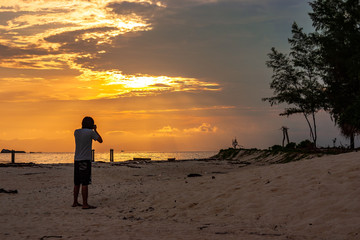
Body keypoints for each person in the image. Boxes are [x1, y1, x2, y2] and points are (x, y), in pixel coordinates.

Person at [72, 116, 103, 209]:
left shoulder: (76, 132)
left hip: (77, 159)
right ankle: (85, 204)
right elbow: (100, 140)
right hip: (85, 159)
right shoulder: (91, 133)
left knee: (77, 182)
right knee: (85, 183)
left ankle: (75, 202)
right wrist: (95, 130)